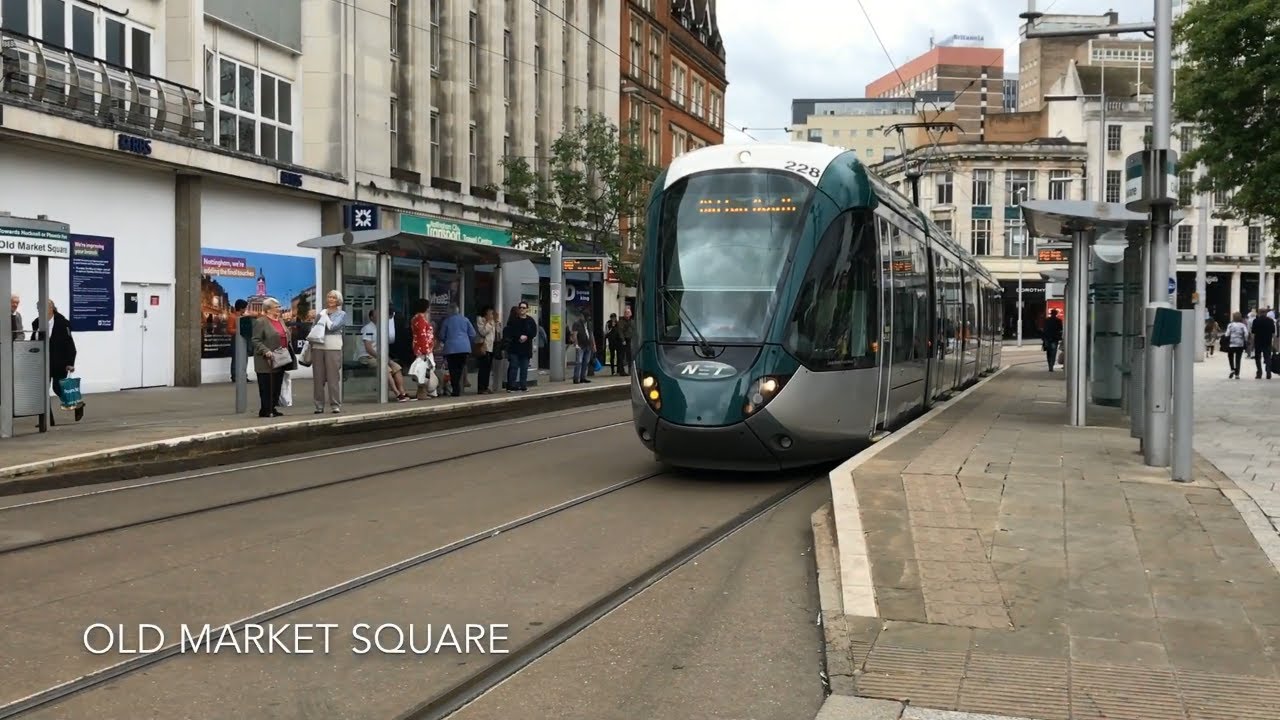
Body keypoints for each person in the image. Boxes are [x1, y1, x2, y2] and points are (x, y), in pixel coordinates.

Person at [31, 299, 83, 424]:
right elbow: (34, 340)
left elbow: (70, 344)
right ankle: (48, 420)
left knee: (58, 388)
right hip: (43, 362)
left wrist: (70, 363)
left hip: (60, 361)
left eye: (42, 308)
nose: (40, 311)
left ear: (51, 309)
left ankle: (77, 404)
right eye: (38, 309)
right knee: (42, 390)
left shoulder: (62, 323)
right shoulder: (36, 323)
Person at [251, 298, 294, 418]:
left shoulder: (280, 320)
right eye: (277, 307)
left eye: (279, 306)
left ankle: (273, 408)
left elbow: (285, 335)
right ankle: (265, 410)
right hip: (266, 360)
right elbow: (255, 340)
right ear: (268, 309)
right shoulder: (261, 322)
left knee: (276, 384)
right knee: (266, 385)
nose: (279, 309)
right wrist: (266, 351)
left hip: (280, 358)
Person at [357, 308, 411, 401]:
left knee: (396, 367)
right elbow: (368, 348)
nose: (379, 317)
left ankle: (402, 392)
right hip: (367, 356)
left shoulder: (382, 328)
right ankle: (397, 393)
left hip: (380, 356)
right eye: (376, 315)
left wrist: (387, 359)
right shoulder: (367, 328)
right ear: (371, 317)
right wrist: (381, 358)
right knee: (385, 369)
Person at [309, 290, 347, 414]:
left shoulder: (341, 314)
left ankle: (335, 404)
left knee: (333, 378)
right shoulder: (321, 313)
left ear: (338, 300)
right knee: (318, 378)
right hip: (318, 346)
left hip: (333, 346)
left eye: (333, 298)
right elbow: (314, 328)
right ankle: (318, 405)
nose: (330, 299)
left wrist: (324, 316)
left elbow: (333, 327)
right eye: (329, 297)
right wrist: (322, 316)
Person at [439, 304, 477, 397]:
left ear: (449, 311)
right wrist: (466, 341)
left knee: (452, 369)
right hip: (464, 348)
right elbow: (473, 334)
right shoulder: (465, 320)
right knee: (460, 368)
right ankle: (458, 387)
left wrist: (447, 341)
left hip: (451, 348)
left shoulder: (447, 321)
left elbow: (442, 335)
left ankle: (455, 389)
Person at [503, 302, 537, 392]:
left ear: (527, 309)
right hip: (514, 348)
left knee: (524, 368)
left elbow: (534, 332)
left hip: (526, 349)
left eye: (524, 308)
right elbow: (510, 332)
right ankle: (511, 386)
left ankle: (523, 386)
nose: (522, 309)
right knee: (513, 367)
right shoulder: (514, 320)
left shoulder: (530, 320)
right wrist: (519, 337)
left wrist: (527, 336)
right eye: (520, 307)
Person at [475, 306, 498, 394]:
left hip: (491, 347)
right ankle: (481, 387)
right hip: (484, 346)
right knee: (483, 368)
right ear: (486, 313)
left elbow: (496, 333)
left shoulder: (492, 321)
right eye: (490, 313)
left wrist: (496, 323)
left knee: (488, 368)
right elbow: (483, 332)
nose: (492, 315)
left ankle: (486, 386)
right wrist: (489, 322)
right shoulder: (480, 320)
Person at [1249, 307, 1276, 379]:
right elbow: (1273, 333)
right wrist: (1273, 342)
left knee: (1257, 358)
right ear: (1266, 313)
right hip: (1267, 341)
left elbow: (1253, 333)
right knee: (1267, 357)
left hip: (1258, 342)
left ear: (1259, 313)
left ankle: (1259, 372)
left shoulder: (1256, 321)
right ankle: (1268, 372)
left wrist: (1252, 343)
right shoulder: (1270, 321)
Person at [570, 309, 595, 384]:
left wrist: (593, 345)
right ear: (582, 316)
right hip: (580, 345)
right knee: (579, 362)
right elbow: (575, 334)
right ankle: (576, 378)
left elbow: (591, 334)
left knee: (586, 362)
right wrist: (576, 344)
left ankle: (583, 377)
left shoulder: (589, 323)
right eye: (585, 317)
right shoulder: (577, 323)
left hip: (588, 344)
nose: (586, 319)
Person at [1223, 311, 1249, 379]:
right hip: (1240, 344)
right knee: (1238, 359)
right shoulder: (1242, 325)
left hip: (1231, 343)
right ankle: (1237, 374)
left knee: (1230, 356)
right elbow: (1246, 334)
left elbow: (1227, 334)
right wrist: (1244, 340)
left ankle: (1232, 369)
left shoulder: (1230, 325)